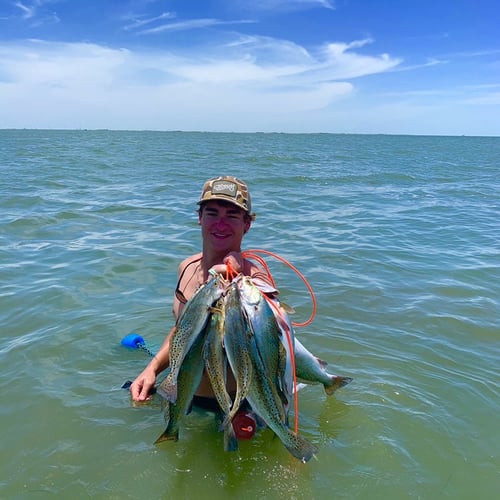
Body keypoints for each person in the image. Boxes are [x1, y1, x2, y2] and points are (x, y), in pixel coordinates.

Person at [130, 176, 271, 408]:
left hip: (236, 405)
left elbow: (270, 340)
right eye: (212, 213)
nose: (220, 224)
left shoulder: (254, 281)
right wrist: (151, 369)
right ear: (199, 218)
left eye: (232, 216)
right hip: (187, 393)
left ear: (247, 224)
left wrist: (235, 276)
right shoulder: (186, 267)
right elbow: (182, 330)